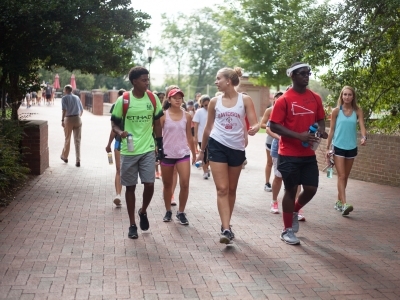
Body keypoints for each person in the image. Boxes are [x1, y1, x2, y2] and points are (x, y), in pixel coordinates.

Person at [197, 67, 259, 244]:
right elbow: (208, 128)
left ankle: (227, 224)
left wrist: (254, 128)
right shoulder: (214, 102)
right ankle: (225, 228)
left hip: (237, 147)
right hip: (217, 145)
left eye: (218, 79)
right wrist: (202, 151)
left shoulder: (245, 100)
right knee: (222, 188)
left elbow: (255, 123)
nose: (216, 82)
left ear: (228, 81)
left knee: (231, 189)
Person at [270, 62, 327, 245]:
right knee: (291, 189)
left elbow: (320, 120)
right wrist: (298, 135)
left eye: (308, 73)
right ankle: (286, 230)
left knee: (311, 188)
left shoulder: (315, 98)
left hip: (308, 154)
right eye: (302, 73)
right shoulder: (284, 100)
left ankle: (294, 210)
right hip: (288, 153)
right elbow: (273, 125)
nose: (306, 76)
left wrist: (319, 132)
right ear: (293, 76)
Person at [111, 66, 163, 239]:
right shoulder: (123, 100)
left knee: (149, 184)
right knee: (130, 187)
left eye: (147, 79)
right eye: (143, 80)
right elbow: (115, 123)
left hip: (148, 148)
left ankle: (143, 211)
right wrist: (120, 133)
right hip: (129, 150)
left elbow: (157, 123)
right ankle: (132, 224)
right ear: (134, 81)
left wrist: (160, 145)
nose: (147, 82)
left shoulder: (152, 98)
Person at [326, 86, 367, 216]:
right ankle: (344, 204)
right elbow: (331, 130)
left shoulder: (358, 111)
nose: (347, 97)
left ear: (353, 96)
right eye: (345, 94)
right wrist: (328, 147)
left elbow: (362, 126)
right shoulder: (336, 111)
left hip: (351, 148)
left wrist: (364, 137)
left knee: (346, 177)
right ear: (341, 96)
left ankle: (338, 201)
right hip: (338, 146)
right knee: (341, 176)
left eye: (349, 95)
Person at [160, 88, 196, 225]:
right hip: (167, 154)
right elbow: (157, 136)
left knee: (185, 183)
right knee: (167, 185)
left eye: (180, 97)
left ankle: (181, 212)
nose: (177, 99)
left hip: (183, 154)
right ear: (169, 100)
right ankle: (168, 210)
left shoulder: (187, 116)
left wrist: (194, 153)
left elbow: (189, 135)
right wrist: (156, 152)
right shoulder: (163, 116)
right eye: (174, 97)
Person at [106, 89, 126, 206]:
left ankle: (125, 193)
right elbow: (114, 129)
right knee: (119, 169)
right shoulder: (117, 111)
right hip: (119, 142)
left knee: (124, 170)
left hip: (133, 144)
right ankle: (118, 194)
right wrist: (109, 144)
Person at [60, 84, 84, 167]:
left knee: (67, 139)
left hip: (68, 119)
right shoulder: (77, 97)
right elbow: (81, 110)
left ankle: (65, 157)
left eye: (64, 90)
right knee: (77, 141)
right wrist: (77, 117)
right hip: (77, 119)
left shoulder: (64, 98)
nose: (63, 92)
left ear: (66, 90)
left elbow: (64, 110)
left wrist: (62, 120)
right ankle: (78, 160)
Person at [193, 95, 211, 179]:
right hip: (202, 137)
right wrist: (195, 136)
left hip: (213, 136)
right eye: (205, 105)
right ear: (202, 105)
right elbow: (196, 124)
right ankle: (205, 171)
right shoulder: (199, 112)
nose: (207, 106)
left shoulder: (214, 111)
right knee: (204, 154)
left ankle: (207, 167)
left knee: (211, 155)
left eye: (209, 104)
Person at [260, 96, 275, 191]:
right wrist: (270, 126)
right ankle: (267, 183)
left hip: (283, 142)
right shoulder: (270, 110)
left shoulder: (287, 110)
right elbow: (262, 124)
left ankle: (286, 185)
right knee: (270, 162)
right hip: (270, 141)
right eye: (277, 97)